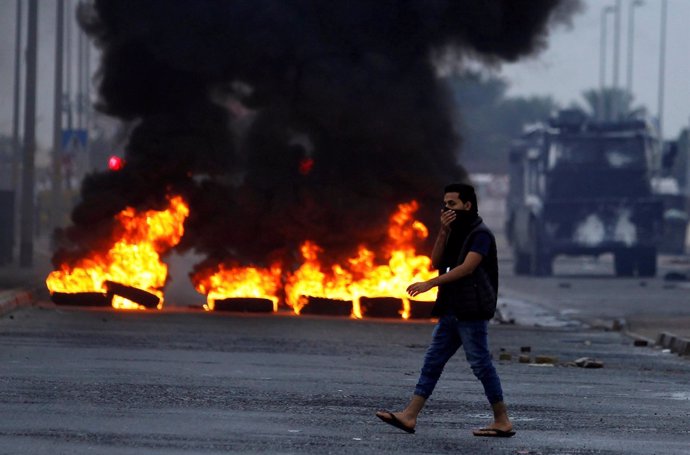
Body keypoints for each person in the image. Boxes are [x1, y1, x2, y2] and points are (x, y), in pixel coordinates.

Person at [375, 183, 514, 438]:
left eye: (452, 204)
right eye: (445, 204)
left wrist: (430, 284)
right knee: (432, 362)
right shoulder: (454, 232)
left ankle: (502, 420)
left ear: (467, 206)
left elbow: (468, 268)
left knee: (481, 365)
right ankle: (410, 415)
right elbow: (437, 261)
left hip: (470, 311)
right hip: (451, 309)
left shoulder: (480, 234)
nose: (447, 209)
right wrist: (442, 231)